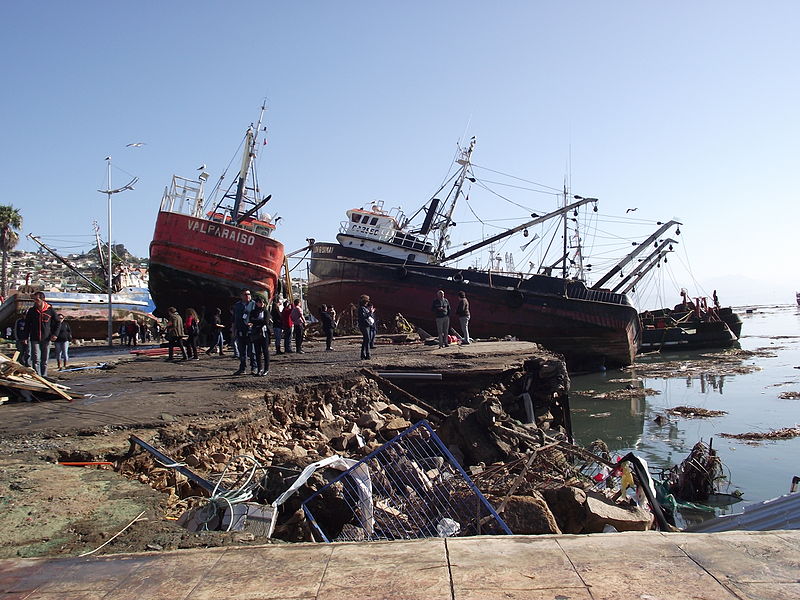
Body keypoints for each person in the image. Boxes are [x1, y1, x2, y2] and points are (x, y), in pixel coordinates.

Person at [25, 291, 60, 378]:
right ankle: (36, 375)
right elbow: (27, 324)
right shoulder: (32, 311)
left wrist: (55, 334)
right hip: (34, 337)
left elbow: (58, 323)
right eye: (34, 300)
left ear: (43, 299)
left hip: (46, 338)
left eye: (37, 300)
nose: (35, 302)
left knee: (44, 359)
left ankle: (44, 375)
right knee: (35, 358)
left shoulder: (50, 310)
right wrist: (25, 337)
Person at [232, 289, 257, 375]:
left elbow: (259, 316)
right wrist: (234, 330)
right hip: (240, 330)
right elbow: (235, 319)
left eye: (249, 294)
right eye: (245, 294)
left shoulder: (253, 304)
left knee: (252, 350)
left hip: (251, 331)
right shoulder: (237, 305)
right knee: (242, 350)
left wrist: (253, 323)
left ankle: (254, 367)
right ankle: (242, 368)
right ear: (241, 296)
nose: (248, 296)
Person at [249, 295, 271, 376]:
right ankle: (259, 368)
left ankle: (266, 369)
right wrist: (259, 321)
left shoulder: (266, 312)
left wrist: (256, 322)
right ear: (257, 303)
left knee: (265, 351)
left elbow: (265, 321)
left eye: (262, 302)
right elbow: (251, 319)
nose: (261, 304)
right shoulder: (253, 312)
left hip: (264, 333)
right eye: (259, 302)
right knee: (257, 352)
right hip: (256, 333)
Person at [357, 294, 373, 360]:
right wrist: (370, 312)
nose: (367, 303)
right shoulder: (361, 309)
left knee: (366, 339)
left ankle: (363, 354)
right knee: (367, 339)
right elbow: (363, 317)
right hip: (364, 325)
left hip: (366, 325)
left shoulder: (363, 308)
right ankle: (367, 354)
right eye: (366, 301)